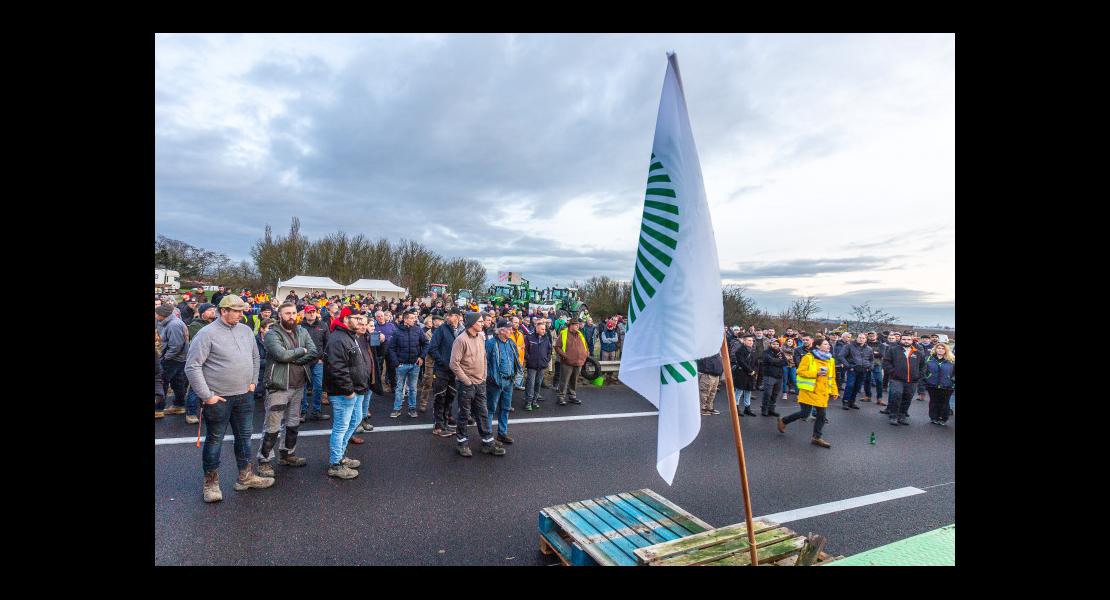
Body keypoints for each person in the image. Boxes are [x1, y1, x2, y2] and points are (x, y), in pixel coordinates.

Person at [185, 295, 274, 503]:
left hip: (244, 395)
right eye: (237, 311)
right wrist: (207, 396)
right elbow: (192, 366)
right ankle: (211, 483)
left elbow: (254, 357)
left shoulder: (245, 330)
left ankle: (245, 476)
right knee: (214, 439)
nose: (242, 315)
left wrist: (253, 382)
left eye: (243, 311)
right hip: (219, 399)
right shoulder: (206, 334)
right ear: (223, 311)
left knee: (244, 438)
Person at [255, 303, 317, 477]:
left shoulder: (302, 331)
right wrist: (301, 350)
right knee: (272, 426)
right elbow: (280, 355)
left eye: (294, 313)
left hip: (299, 385)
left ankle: (287, 453)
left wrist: (295, 357)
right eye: (287, 313)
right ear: (279, 315)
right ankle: (264, 460)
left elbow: (313, 351)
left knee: (293, 423)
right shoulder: (272, 333)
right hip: (278, 385)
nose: (292, 316)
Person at [323, 307, 369, 479]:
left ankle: (340, 456)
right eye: (356, 318)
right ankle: (335, 464)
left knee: (355, 421)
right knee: (341, 427)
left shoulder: (349, 336)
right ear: (346, 319)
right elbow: (337, 368)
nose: (360, 322)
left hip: (354, 390)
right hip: (344, 392)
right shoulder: (338, 339)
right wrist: (348, 390)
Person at [450, 312, 505, 457]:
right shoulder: (461, 340)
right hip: (466, 384)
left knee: (482, 412)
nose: (483, 323)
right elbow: (454, 364)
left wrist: (484, 375)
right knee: (464, 414)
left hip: (480, 382)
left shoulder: (481, 337)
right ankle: (462, 443)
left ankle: (488, 442)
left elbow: (484, 358)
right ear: (472, 323)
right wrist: (466, 381)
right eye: (480, 321)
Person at [777, 338, 838, 448]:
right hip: (809, 391)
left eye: (828, 344)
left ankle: (816, 437)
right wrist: (816, 373)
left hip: (822, 392)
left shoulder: (831, 360)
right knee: (805, 413)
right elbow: (800, 371)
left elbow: (832, 377)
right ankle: (784, 420)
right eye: (825, 344)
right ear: (818, 346)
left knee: (822, 415)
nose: (828, 346)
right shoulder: (809, 357)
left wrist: (834, 391)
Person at [486, 321, 522, 445]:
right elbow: (485, 362)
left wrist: (516, 373)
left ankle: (502, 434)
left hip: (509, 381)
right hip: (495, 381)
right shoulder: (490, 343)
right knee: (490, 408)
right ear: (501, 330)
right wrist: (490, 377)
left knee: (505, 408)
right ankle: (488, 436)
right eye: (509, 329)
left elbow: (515, 359)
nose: (511, 331)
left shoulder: (510, 342)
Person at [387, 309, 429, 419]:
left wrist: (421, 357)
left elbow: (426, 344)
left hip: (415, 365)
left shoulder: (418, 330)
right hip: (401, 365)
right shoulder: (397, 331)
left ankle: (412, 409)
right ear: (405, 319)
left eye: (414, 318)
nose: (414, 320)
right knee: (399, 388)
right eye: (411, 318)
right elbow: (391, 348)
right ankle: (397, 409)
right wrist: (396, 362)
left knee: (413, 388)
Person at [429, 309, 462, 437]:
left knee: (450, 396)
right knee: (440, 397)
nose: (447, 317)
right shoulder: (441, 329)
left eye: (450, 315)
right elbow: (432, 348)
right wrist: (443, 362)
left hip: (455, 371)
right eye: (447, 315)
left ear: (457, 317)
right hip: (442, 370)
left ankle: (445, 423)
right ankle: (438, 426)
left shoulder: (461, 330)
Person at [882, 332, 926, 426]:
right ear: (900, 340)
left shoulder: (918, 353)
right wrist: (893, 372)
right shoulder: (893, 350)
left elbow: (923, 366)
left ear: (912, 340)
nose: (906, 341)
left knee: (907, 398)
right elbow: (886, 363)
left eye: (908, 339)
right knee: (896, 396)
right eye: (904, 339)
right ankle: (893, 416)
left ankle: (902, 416)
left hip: (912, 380)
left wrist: (918, 375)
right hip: (897, 379)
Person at [155, 303, 190, 416]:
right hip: (179, 359)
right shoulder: (168, 322)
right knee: (177, 382)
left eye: (156, 313)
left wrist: (165, 358)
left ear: (162, 315)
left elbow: (176, 345)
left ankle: (158, 409)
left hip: (172, 359)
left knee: (161, 382)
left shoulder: (174, 325)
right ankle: (179, 405)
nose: (155, 315)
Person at [298, 305, 330, 422]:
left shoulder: (323, 325)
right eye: (309, 312)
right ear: (305, 314)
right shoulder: (300, 327)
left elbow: (328, 343)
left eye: (313, 312)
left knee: (318, 387)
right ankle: (303, 411)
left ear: (316, 313)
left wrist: (323, 358)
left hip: (318, 361)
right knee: (303, 387)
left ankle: (317, 411)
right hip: (304, 361)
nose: (311, 314)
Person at [555, 318, 589, 406]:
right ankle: (561, 397)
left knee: (574, 380)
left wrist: (585, 354)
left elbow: (585, 346)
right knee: (564, 380)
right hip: (567, 362)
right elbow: (557, 347)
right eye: (576, 325)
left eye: (578, 324)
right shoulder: (564, 334)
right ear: (570, 326)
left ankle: (572, 396)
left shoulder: (580, 334)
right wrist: (565, 356)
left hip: (578, 362)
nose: (578, 326)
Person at [523, 319, 553, 411]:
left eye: (544, 329)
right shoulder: (529, 337)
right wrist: (529, 358)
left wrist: (547, 360)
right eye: (542, 329)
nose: (544, 331)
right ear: (537, 329)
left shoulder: (546, 338)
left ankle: (535, 401)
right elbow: (525, 350)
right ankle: (528, 402)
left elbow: (549, 350)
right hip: (532, 365)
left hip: (542, 365)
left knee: (538, 383)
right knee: (530, 384)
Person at [923, 343, 955, 426]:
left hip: (947, 385)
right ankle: (933, 417)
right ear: (935, 349)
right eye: (939, 348)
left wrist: (952, 380)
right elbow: (924, 371)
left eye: (942, 348)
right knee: (933, 402)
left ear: (946, 350)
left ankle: (943, 418)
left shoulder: (952, 360)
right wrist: (927, 378)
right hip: (932, 385)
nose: (940, 349)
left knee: (945, 403)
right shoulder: (929, 359)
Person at [418, 314, 442, 413]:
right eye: (436, 321)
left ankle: (438, 405)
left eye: (440, 321)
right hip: (430, 362)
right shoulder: (427, 334)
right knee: (427, 383)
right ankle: (423, 404)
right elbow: (430, 348)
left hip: (440, 363)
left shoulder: (442, 333)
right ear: (433, 322)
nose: (438, 322)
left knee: (440, 385)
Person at [841, 333, 871, 410]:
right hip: (852, 369)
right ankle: (845, 401)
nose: (861, 339)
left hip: (863, 370)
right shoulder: (849, 346)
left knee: (857, 387)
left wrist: (870, 367)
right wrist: (848, 366)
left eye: (863, 338)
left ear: (866, 339)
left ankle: (852, 402)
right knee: (850, 385)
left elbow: (872, 360)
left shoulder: (869, 349)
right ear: (856, 338)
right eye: (860, 337)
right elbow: (841, 356)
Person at [730, 333, 758, 417]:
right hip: (741, 373)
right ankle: (736, 408)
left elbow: (756, 363)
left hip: (751, 374)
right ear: (744, 341)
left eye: (752, 341)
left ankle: (747, 408)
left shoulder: (753, 350)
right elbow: (741, 362)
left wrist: (754, 371)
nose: (751, 342)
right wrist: (750, 370)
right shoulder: (739, 350)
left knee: (748, 391)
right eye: (749, 340)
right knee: (739, 391)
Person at [760, 338, 787, 417]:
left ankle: (771, 410)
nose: (775, 345)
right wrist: (779, 361)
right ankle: (764, 409)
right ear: (770, 344)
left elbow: (785, 362)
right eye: (774, 344)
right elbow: (770, 360)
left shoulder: (781, 353)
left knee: (775, 394)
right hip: (769, 375)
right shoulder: (766, 352)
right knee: (767, 394)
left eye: (777, 344)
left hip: (779, 376)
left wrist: (776, 361)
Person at [696, 346, 724, 416]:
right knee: (705, 392)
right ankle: (702, 408)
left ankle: (709, 407)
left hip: (716, 374)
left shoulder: (715, 348)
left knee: (712, 392)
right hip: (708, 374)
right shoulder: (704, 348)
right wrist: (705, 369)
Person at [508, 316, 527, 391]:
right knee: (511, 374)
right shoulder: (508, 334)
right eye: (515, 322)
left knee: (520, 372)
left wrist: (523, 358)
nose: (517, 324)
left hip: (519, 358)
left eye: (518, 323)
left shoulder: (520, 334)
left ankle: (517, 385)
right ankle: (510, 386)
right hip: (510, 359)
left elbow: (523, 346)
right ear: (510, 323)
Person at [866, 331, 883, 403]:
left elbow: (881, 354)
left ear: (876, 336)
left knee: (879, 381)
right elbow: (864, 354)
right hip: (867, 364)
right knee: (867, 381)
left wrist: (871, 353)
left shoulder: (881, 345)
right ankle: (868, 396)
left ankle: (879, 398)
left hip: (877, 364)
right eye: (870, 335)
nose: (871, 337)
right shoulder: (865, 344)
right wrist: (875, 353)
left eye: (873, 335)